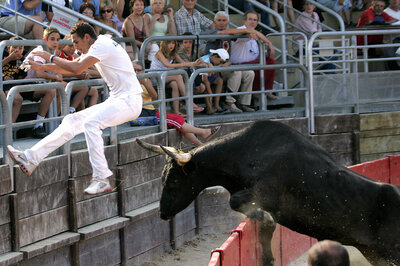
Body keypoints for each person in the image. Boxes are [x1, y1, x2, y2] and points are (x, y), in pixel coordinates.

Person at [7, 22, 143, 195]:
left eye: (76, 42)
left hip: (129, 101)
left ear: (87, 37)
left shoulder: (102, 45)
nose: (75, 47)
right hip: (118, 100)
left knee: (91, 124)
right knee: (71, 120)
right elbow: (71, 68)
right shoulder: (99, 44)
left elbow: (76, 67)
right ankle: (30, 158)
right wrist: (41, 67)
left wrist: (48, 57)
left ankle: (101, 178)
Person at [134, 61, 220, 147]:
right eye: (134, 70)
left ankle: (200, 145)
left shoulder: (146, 80)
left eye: (139, 70)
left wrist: (144, 83)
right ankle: (203, 132)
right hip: (141, 113)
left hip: (151, 110)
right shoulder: (128, 82)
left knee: (178, 121)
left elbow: (155, 96)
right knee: (176, 120)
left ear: (143, 71)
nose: (136, 72)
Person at [219, 11, 277, 100]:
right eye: (250, 19)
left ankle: (267, 91)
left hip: (251, 63)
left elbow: (254, 53)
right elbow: (225, 32)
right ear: (244, 21)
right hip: (239, 64)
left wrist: (268, 49)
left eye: (255, 20)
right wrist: (267, 41)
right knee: (260, 66)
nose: (252, 22)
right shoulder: (240, 31)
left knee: (270, 61)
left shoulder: (255, 34)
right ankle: (257, 92)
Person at [205, 11, 255, 114]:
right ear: (214, 22)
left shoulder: (229, 33)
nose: (221, 23)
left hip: (226, 66)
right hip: (213, 67)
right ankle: (229, 102)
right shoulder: (212, 32)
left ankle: (244, 103)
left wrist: (249, 32)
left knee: (249, 73)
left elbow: (240, 35)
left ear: (227, 22)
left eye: (224, 20)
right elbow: (223, 35)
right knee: (236, 72)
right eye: (219, 20)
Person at [24, 27, 60, 138]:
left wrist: (57, 76)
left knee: (62, 87)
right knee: (51, 90)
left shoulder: (52, 52)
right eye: (52, 39)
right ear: (45, 40)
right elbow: (39, 73)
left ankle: (54, 123)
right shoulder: (40, 50)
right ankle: (38, 126)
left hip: (38, 85)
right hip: (26, 85)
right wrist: (55, 77)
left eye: (58, 39)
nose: (55, 42)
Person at [149, 39, 203, 115]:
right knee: (178, 76)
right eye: (169, 43)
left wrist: (193, 64)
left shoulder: (173, 53)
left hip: (165, 76)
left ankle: (176, 111)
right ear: (164, 44)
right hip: (155, 77)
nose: (171, 45)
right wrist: (185, 64)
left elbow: (183, 63)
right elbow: (168, 65)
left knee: (174, 84)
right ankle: (189, 102)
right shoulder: (159, 53)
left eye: (173, 43)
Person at [2, 36, 26, 123]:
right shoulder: (2, 53)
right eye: (15, 47)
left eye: (20, 48)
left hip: (10, 86)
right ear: (9, 48)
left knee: (18, 99)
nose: (17, 50)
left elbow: (20, 82)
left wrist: (11, 82)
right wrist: (9, 58)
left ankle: (9, 128)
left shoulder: (25, 62)